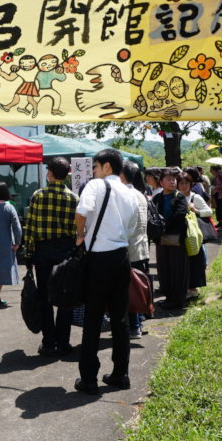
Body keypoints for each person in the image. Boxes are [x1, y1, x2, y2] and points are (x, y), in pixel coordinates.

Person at [73, 149, 139, 395]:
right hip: (122, 257)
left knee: (93, 317)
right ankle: (121, 374)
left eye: (96, 166)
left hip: (98, 259)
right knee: (120, 318)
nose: (93, 171)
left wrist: (81, 235)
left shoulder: (95, 186)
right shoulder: (130, 192)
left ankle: (89, 378)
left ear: (107, 166)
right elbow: (132, 227)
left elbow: (81, 212)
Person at [24, 156, 79, 356]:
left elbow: (30, 227)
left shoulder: (38, 195)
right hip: (66, 251)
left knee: (45, 297)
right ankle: (63, 343)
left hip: (43, 251)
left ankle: (49, 343)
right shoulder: (74, 198)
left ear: (50, 173)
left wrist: (28, 254)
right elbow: (77, 229)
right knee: (66, 297)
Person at [121, 160, 150, 340]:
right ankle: (139, 321)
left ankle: (135, 326)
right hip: (141, 246)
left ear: (122, 176)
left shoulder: (124, 195)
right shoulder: (140, 194)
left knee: (130, 289)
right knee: (138, 287)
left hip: (129, 248)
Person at [153, 167, 189, 310]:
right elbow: (153, 216)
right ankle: (169, 298)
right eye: (169, 179)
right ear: (161, 182)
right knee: (164, 269)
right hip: (161, 240)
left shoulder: (179, 196)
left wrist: (164, 227)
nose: (173, 182)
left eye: (174, 179)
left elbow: (180, 215)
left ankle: (178, 299)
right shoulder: (157, 198)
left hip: (176, 238)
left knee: (177, 269)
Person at [178, 172, 210, 297]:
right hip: (181, 234)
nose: (184, 186)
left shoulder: (195, 197)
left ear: (191, 184)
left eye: (186, 183)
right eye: (181, 183)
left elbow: (208, 211)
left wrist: (195, 210)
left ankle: (193, 289)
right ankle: (185, 287)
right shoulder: (176, 196)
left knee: (195, 259)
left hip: (193, 233)